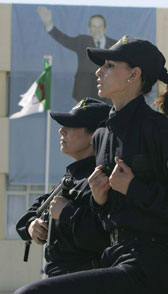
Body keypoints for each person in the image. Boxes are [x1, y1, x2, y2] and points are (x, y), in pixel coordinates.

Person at [15, 35, 168, 294]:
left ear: (133, 75)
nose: (99, 71)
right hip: (112, 258)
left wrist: (133, 187)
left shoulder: (157, 129)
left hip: (147, 266)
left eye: (109, 65)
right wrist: (100, 201)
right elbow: (107, 218)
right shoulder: (103, 136)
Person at [16, 98, 111, 277]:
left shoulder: (101, 178)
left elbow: (104, 237)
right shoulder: (72, 177)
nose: (61, 131)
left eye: (72, 126)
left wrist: (67, 212)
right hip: (61, 276)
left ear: (94, 136)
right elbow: (30, 214)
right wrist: (32, 226)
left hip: (85, 277)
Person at [37, 6, 117, 102]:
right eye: (93, 26)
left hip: (107, 93)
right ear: (89, 29)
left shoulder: (115, 45)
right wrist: (48, 24)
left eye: (100, 26)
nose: (97, 29)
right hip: (84, 92)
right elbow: (64, 40)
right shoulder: (82, 41)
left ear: (105, 28)